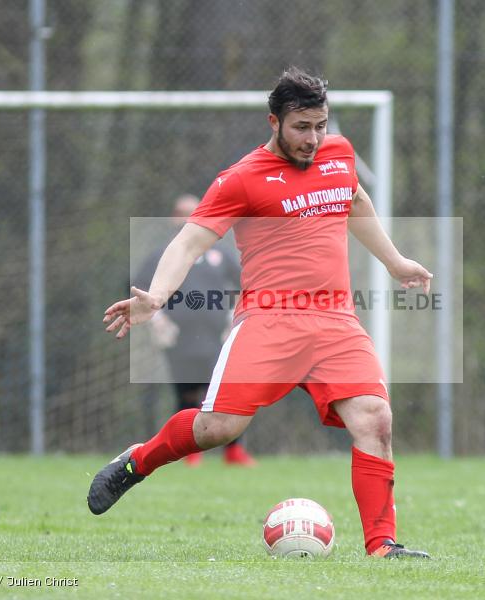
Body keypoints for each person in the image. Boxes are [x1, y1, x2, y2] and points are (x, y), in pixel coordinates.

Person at [89, 67, 431, 559]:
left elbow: (354, 200)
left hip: (336, 320)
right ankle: (136, 461)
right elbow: (189, 241)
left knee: (375, 418)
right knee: (219, 429)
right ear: (274, 122)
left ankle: (383, 546)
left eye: (320, 126)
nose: (313, 139)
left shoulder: (340, 153)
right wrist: (158, 297)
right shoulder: (242, 178)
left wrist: (395, 262)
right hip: (269, 319)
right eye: (301, 128)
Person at [138, 194, 256, 466]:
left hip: (217, 337)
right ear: (172, 217)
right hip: (180, 339)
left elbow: (246, 283)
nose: (187, 218)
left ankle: (234, 451)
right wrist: (158, 321)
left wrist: (233, 320)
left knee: (224, 392)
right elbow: (136, 286)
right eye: (182, 213)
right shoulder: (162, 255)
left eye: (193, 212)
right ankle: (190, 450)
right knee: (187, 392)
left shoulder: (220, 254)